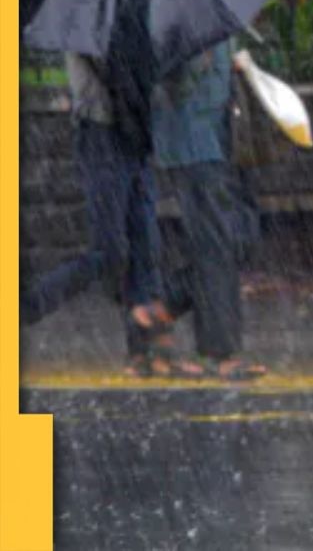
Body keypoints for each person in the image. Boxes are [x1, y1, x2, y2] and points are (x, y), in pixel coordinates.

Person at [21, 52, 190, 376]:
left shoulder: (128, 12)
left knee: (146, 243)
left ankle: (143, 353)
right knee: (109, 251)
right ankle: (28, 307)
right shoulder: (90, 16)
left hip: (134, 133)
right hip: (101, 132)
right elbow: (110, 71)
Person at [151, 41, 266, 380]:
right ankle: (221, 352)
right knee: (217, 246)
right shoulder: (176, 16)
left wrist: (235, 66)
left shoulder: (213, 11)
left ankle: (160, 307)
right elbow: (162, 80)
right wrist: (198, 63)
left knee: (243, 238)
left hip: (227, 138)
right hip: (194, 142)